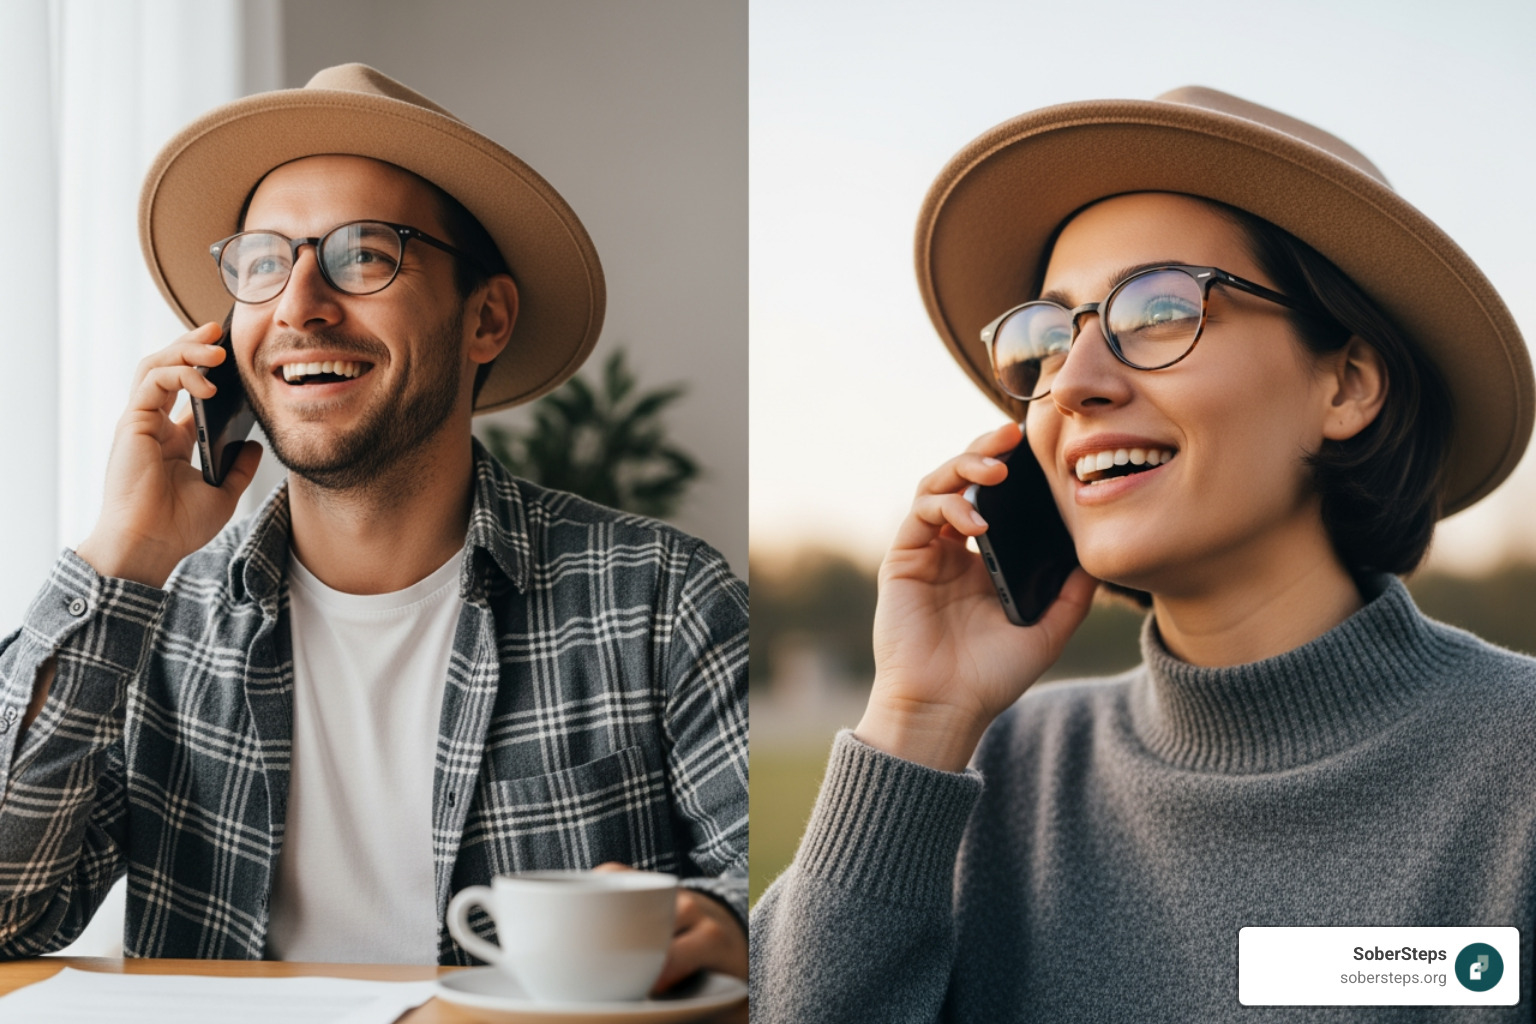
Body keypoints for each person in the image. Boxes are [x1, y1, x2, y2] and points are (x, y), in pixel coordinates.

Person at [751, 87, 1536, 1021]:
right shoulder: (977, 783)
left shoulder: (1515, 772)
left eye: (1160, 308)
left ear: (1348, 384)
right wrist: (917, 719)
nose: (1074, 382)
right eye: (1048, 337)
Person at [0, 64, 748, 982]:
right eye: (265, 262)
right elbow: (9, 908)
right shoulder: (153, 617)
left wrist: (727, 930)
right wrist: (123, 552)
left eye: (363, 254)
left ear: (487, 319)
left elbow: (774, 902)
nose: (301, 306)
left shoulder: (662, 599)